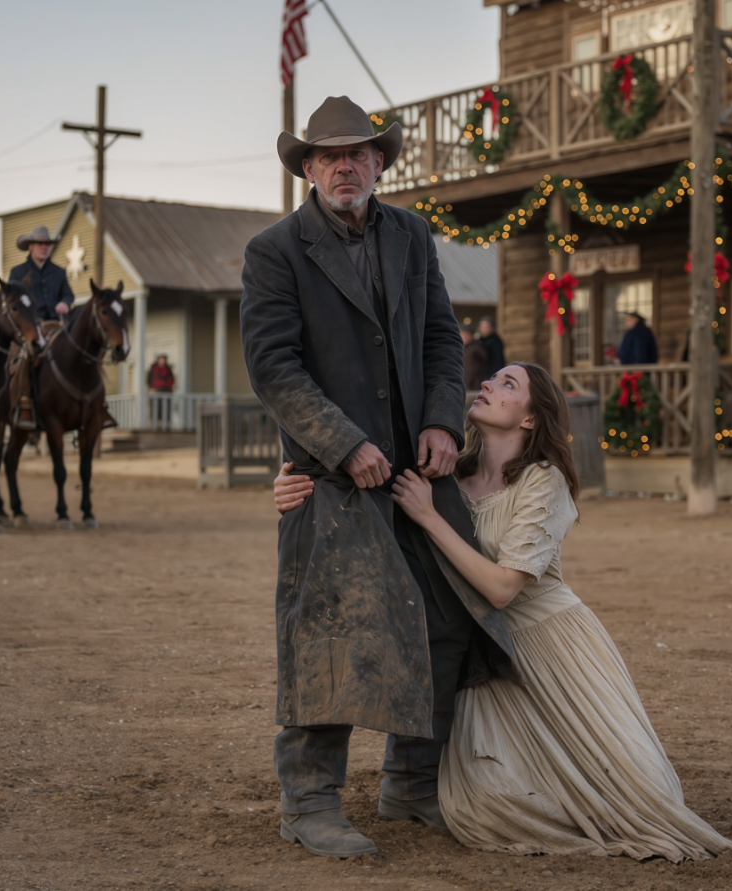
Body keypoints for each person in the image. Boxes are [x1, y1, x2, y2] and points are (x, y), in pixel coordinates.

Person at [275, 362, 732, 862]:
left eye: (507, 384)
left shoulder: (544, 481)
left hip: (546, 645)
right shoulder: (449, 474)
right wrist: (290, 487)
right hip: (486, 649)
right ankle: (401, 789)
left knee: (615, 796)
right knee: (488, 800)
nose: (488, 385)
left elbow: (502, 590)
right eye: (493, 378)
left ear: (530, 419)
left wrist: (430, 516)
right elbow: (362, 496)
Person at [241, 95, 516, 859]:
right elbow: (273, 366)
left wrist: (442, 421)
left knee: (449, 617)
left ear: (379, 163)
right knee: (328, 633)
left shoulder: (411, 234)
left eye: (358, 154)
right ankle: (309, 801)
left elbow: (441, 336)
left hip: (416, 472)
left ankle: (411, 782)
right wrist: (342, 442)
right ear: (307, 167)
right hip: (329, 478)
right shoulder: (274, 250)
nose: (344, 167)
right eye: (329, 156)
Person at [8, 225, 75, 429]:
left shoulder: (59, 272)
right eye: (40, 244)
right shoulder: (18, 272)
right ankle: (24, 403)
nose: (44, 248)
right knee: (24, 357)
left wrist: (65, 302)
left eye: (47, 244)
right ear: (31, 246)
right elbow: (11, 300)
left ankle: (89, 403)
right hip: (30, 327)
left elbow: (68, 294)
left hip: (56, 325)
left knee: (79, 351)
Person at [460, 323, 487, 391]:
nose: (464, 336)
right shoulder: (461, 347)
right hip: (463, 384)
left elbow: (483, 360)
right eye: (462, 334)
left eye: (467, 334)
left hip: (474, 385)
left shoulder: (477, 346)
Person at [477, 316, 505, 380]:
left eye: (486, 327)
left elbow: (497, 361)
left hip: (490, 375)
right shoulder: (480, 341)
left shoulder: (495, 342)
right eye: (482, 327)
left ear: (492, 328)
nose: (484, 329)